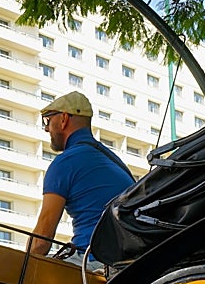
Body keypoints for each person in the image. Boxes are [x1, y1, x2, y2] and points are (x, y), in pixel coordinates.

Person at [27, 91, 134, 259]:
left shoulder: (65, 163)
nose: (46, 128)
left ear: (63, 119)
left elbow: (41, 241)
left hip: (92, 261)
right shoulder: (114, 161)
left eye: (48, 120)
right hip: (129, 261)